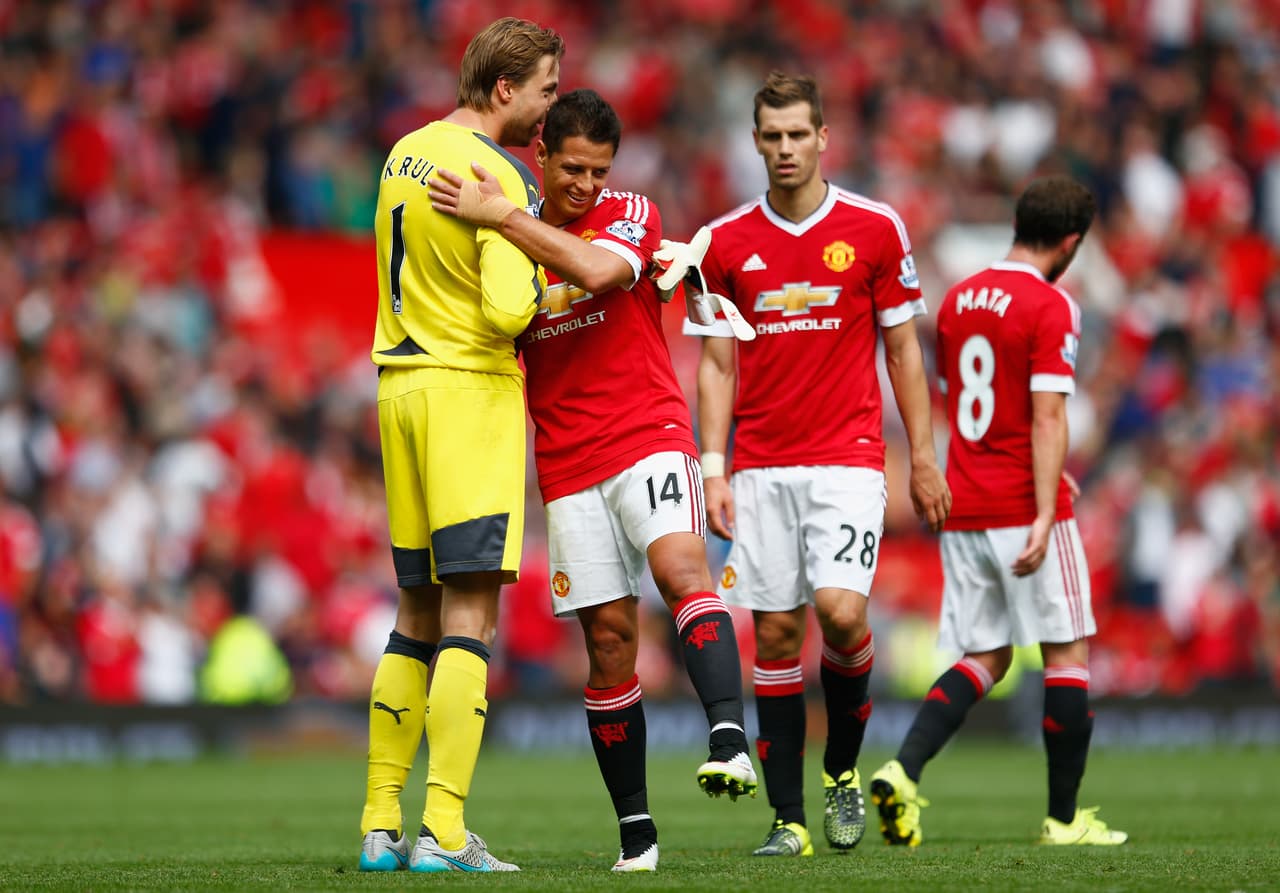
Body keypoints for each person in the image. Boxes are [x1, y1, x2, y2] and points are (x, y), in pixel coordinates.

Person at [428, 88, 757, 873]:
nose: (585, 184)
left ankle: (728, 738)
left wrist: (502, 215)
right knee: (608, 642)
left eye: (598, 170)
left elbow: (603, 271)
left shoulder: (626, 212)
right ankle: (636, 836)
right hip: (568, 462)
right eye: (571, 168)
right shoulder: (506, 239)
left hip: (648, 432)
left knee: (683, 570)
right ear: (540, 154)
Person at [686, 71, 951, 858]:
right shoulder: (725, 242)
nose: (785, 149)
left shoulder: (875, 228)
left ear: (824, 136)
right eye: (771, 136)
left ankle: (841, 767)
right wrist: (712, 466)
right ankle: (789, 818)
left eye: (798, 134)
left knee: (840, 612)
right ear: (755, 140)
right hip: (760, 463)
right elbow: (716, 365)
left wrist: (924, 459)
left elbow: (903, 348)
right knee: (772, 637)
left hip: (848, 458)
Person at [357, 17, 562, 874]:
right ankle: (442, 831)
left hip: (397, 387)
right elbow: (514, 310)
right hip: (466, 393)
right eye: (547, 88)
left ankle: (379, 826)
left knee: (416, 612)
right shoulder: (498, 173)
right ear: (507, 89)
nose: (551, 108)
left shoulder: (405, 150)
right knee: (471, 616)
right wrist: (562, 276)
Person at [869, 176, 1128, 847]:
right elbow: (1047, 416)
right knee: (1066, 651)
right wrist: (1046, 510)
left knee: (985, 653)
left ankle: (902, 769)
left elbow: (956, 400)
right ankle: (1064, 820)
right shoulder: (1052, 305)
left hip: (965, 498)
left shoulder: (957, 301)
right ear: (1070, 242)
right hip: (1020, 498)